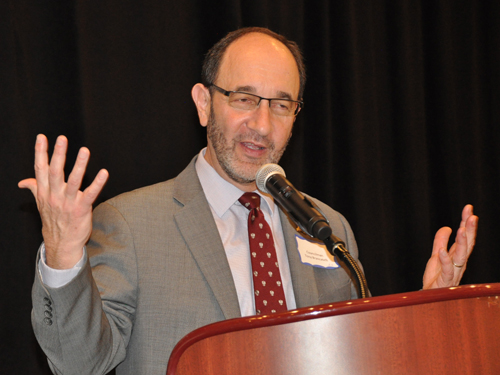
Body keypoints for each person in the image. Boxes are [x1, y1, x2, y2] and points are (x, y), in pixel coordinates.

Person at [19, 27, 478, 375]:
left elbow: (360, 354)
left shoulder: (326, 225)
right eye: (244, 98)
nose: (261, 124)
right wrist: (62, 256)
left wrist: (426, 313)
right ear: (203, 103)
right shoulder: (132, 223)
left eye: (281, 105)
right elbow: (80, 363)